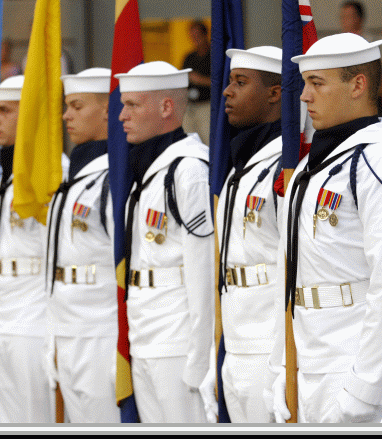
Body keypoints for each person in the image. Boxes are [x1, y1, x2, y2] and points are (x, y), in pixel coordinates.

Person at [270, 33, 382, 423]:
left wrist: (366, 384)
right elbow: (286, 279)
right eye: (305, 84)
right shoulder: (309, 168)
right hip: (306, 358)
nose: (304, 97)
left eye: (317, 83)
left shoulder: (376, 158)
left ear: (358, 85)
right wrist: (280, 369)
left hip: (349, 357)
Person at [116, 61, 216, 423]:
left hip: (177, 342)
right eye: (123, 104)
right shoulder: (146, 171)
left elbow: (203, 272)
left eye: (133, 105)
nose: (122, 115)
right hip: (144, 335)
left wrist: (201, 359)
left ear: (166, 107)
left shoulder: (188, 171)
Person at [0, 75, 56, 422]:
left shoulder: (53, 176)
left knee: (34, 417)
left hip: (33, 320)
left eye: (4, 111)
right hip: (1, 316)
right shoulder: (0, 178)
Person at [44, 68, 120, 423]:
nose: (65, 116)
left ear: (107, 110)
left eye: (76, 106)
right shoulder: (75, 175)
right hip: (66, 326)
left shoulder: (115, 176)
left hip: (101, 330)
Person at [216, 46, 283, 423]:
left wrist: (281, 360)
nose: (227, 91)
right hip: (236, 341)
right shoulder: (237, 168)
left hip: (269, 344)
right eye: (229, 81)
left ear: (275, 92)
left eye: (241, 83)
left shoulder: (286, 165)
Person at [181, 20, 212, 145]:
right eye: (192, 36)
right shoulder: (189, 57)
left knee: (207, 139)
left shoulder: (214, 55)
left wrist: (200, 80)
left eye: (197, 36)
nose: (195, 39)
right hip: (190, 106)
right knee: (189, 140)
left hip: (207, 105)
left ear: (205, 35)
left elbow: (223, 82)